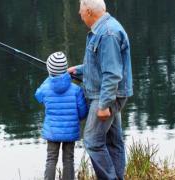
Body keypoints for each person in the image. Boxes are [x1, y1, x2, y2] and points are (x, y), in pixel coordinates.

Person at [67, 0, 133, 179]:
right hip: (107, 93)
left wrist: (104, 105)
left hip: (106, 95)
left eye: (80, 10)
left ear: (88, 11)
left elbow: (112, 73)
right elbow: (100, 63)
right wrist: (78, 70)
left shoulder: (108, 33)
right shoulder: (103, 30)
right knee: (113, 141)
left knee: (92, 141)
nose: (79, 14)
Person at [35, 51, 88, 180]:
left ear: (50, 70)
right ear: (65, 69)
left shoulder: (45, 88)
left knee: (51, 159)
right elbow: (83, 112)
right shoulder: (76, 90)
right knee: (68, 159)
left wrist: (49, 78)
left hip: (52, 132)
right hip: (70, 130)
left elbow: (38, 95)